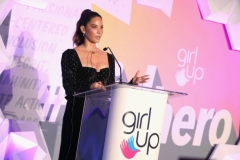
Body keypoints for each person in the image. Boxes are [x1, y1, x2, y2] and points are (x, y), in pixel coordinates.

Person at [59, 9, 149, 160]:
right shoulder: (70, 55)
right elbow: (69, 88)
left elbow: (110, 88)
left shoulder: (108, 56)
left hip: (99, 116)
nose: (99, 31)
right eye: (94, 27)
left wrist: (130, 84)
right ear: (83, 29)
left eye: (101, 27)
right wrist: (90, 88)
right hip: (77, 116)